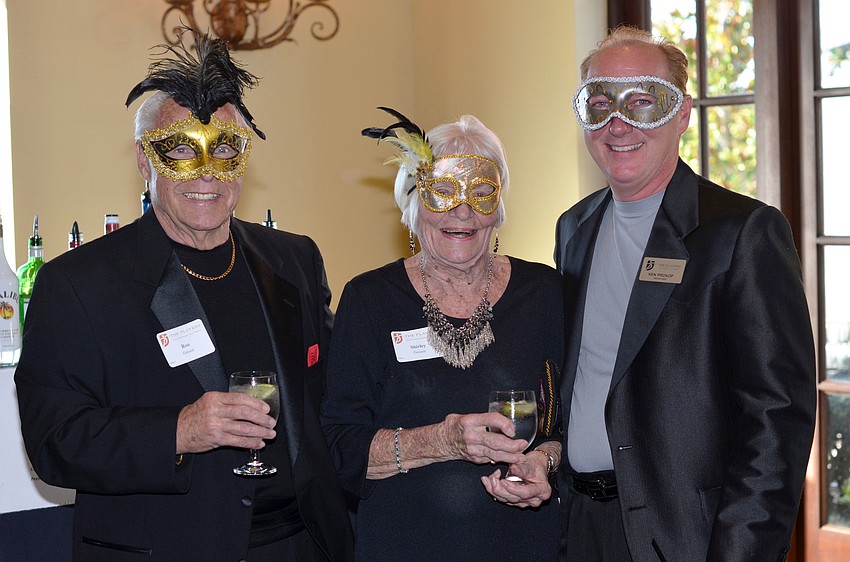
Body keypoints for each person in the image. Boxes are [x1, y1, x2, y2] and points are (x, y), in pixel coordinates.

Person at [15, 30, 353, 562]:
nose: (206, 174)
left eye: (223, 149)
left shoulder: (295, 260)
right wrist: (178, 431)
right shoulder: (78, 285)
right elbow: (54, 440)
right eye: (179, 151)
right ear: (144, 162)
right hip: (166, 547)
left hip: (299, 545)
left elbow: (339, 392)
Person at [554, 25, 817, 561]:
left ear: (681, 114)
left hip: (686, 540)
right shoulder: (573, 229)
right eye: (601, 103)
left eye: (644, 102)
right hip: (581, 528)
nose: (619, 122)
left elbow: (777, 418)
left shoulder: (742, 232)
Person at [320, 108, 564, 561]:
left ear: (499, 209)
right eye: (443, 192)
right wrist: (442, 440)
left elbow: (571, 425)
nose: (463, 211)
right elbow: (339, 449)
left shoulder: (545, 293)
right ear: (413, 204)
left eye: (482, 193)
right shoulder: (369, 300)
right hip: (403, 545)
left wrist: (543, 461)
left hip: (525, 544)